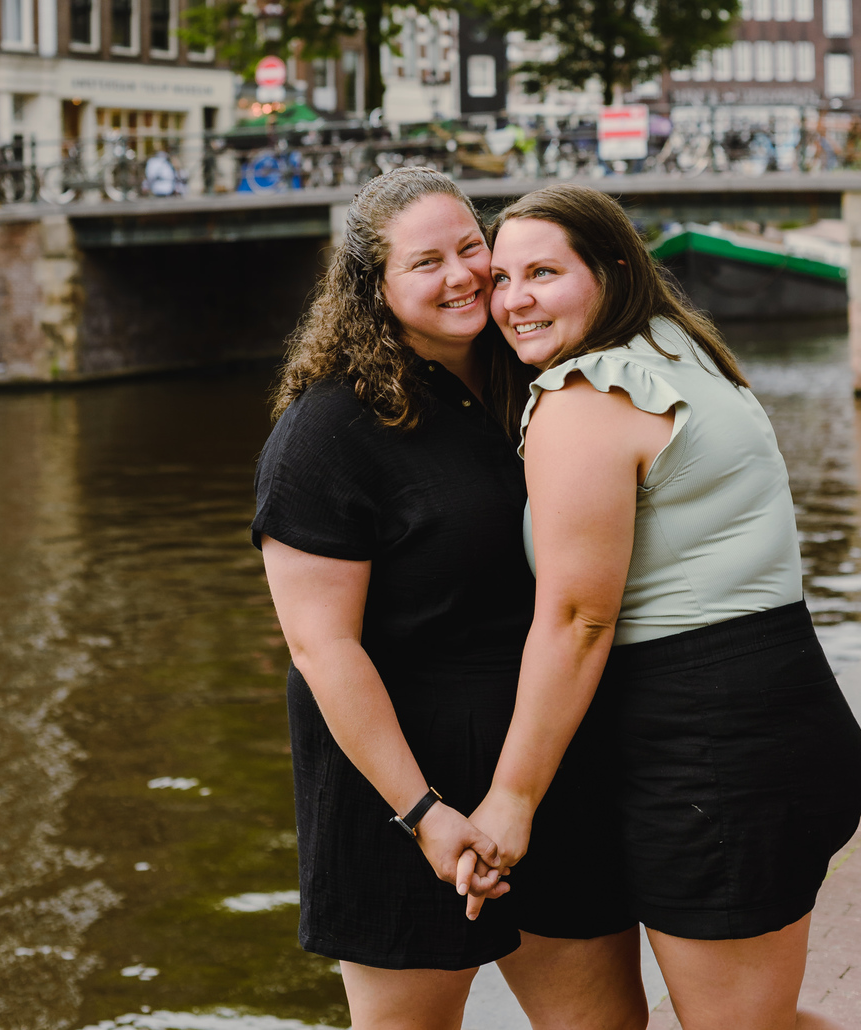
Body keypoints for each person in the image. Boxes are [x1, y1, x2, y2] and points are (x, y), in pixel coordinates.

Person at [252, 168, 648, 1030]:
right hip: (400, 787)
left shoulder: (531, 378)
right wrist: (425, 815)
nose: (465, 274)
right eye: (427, 261)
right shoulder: (326, 433)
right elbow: (323, 649)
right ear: (375, 290)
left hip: (546, 767)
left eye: (472, 246)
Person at [469, 184, 861, 1030]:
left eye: (543, 272)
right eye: (501, 278)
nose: (514, 300)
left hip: (709, 747)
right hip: (778, 713)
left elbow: (579, 618)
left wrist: (511, 795)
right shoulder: (682, 351)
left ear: (613, 270)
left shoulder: (585, 398)